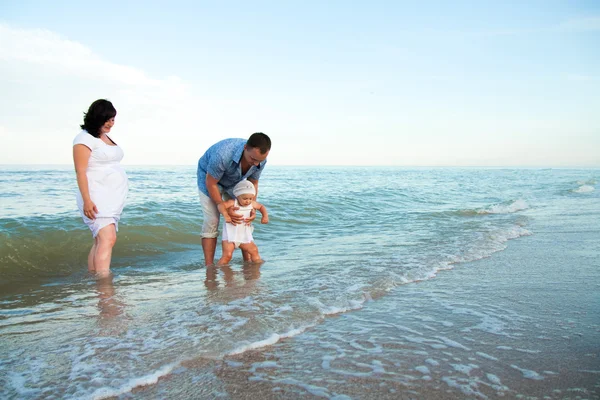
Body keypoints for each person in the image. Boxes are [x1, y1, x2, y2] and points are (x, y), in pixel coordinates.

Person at [73, 99, 128, 277]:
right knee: (107, 238)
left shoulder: (103, 137)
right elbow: (80, 172)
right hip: (96, 195)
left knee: (100, 240)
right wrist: (87, 201)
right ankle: (104, 286)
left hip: (111, 198)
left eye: (113, 119)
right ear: (97, 117)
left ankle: (94, 281)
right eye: (108, 119)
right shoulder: (83, 139)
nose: (111, 123)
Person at [197, 132, 271, 265]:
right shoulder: (223, 154)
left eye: (259, 161)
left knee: (242, 216)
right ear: (245, 148)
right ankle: (209, 267)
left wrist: (250, 208)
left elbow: (252, 183)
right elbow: (211, 183)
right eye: (253, 159)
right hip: (210, 179)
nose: (256, 164)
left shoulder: (260, 160)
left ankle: (247, 263)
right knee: (212, 219)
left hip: (235, 182)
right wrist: (223, 210)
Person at [217, 179, 269, 265]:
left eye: (250, 198)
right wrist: (225, 214)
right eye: (245, 198)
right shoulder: (233, 203)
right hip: (230, 236)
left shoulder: (252, 204)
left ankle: (257, 271)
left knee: (254, 251)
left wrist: (265, 216)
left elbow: (261, 207)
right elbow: (220, 205)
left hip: (244, 236)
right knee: (227, 256)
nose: (248, 201)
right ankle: (217, 272)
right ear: (237, 196)